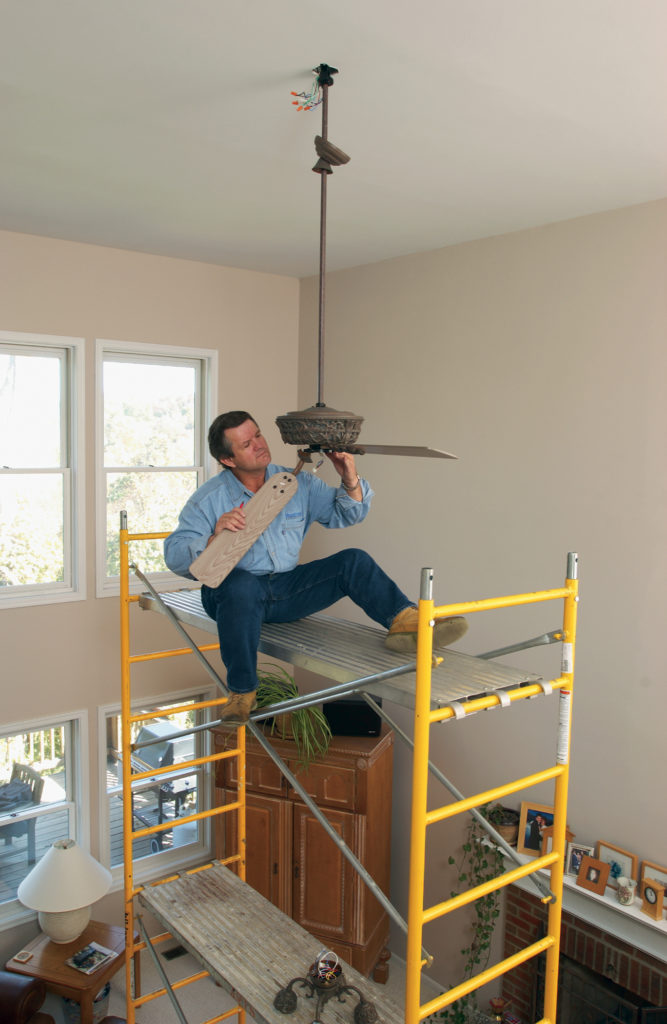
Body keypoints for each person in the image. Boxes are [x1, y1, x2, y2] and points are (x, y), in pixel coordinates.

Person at [164, 411, 468, 725]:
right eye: (246, 443)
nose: (259, 445)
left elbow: (346, 515)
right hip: (229, 594)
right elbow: (173, 555)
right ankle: (242, 691)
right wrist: (215, 536)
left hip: (284, 589)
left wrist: (348, 476)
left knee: (353, 560)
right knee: (241, 584)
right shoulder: (208, 500)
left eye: (257, 435)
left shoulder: (298, 483)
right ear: (228, 460)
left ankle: (404, 620)